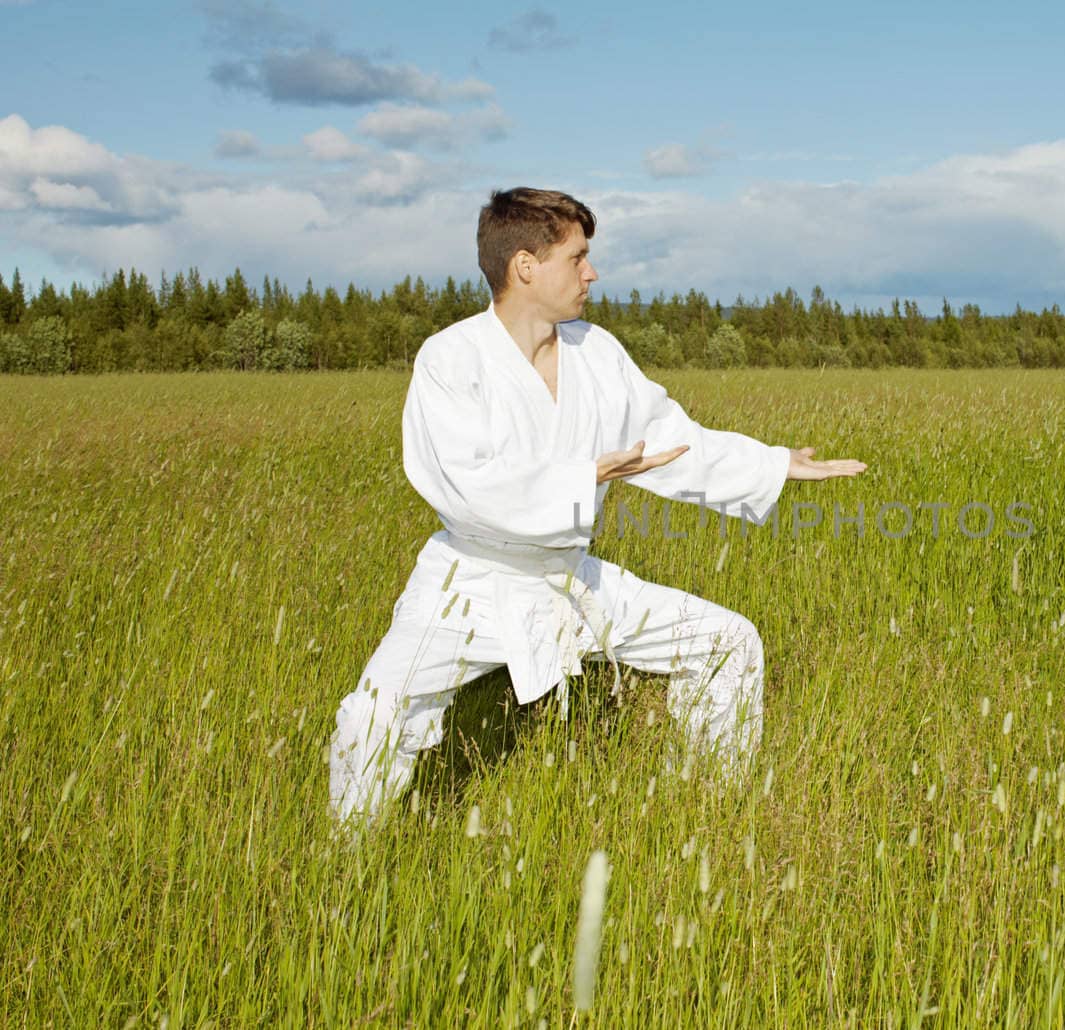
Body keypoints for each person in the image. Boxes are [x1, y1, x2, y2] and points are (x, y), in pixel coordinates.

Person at [328, 187, 865, 824]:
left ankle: (710, 812)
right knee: (375, 715)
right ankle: (349, 858)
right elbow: (471, 487)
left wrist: (773, 462)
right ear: (525, 265)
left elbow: (667, 438)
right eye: (577, 257)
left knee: (727, 643)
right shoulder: (451, 360)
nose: (592, 272)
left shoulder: (595, 352)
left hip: (566, 578)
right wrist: (585, 476)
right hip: (468, 581)